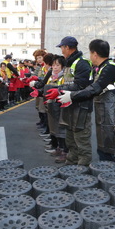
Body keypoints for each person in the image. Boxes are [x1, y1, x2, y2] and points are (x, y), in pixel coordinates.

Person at [57, 39, 115, 161]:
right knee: (103, 147)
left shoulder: (111, 68)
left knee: (111, 149)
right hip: (103, 113)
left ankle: (111, 175)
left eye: (90, 53)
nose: (90, 56)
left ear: (95, 54)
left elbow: (94, 88)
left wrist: (72, 96)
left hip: (112, 114)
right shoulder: (101, 68)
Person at [45, 36, 93, 166]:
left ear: (67, 47)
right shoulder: (70, 62)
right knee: (71, 139)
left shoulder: (81, 63)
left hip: (81, 107)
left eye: (62, 47)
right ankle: (71, 162)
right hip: (70, 105)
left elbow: (80, 86)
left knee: (81, 140)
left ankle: (83, 168)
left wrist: (59, 90)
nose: (61, 50)